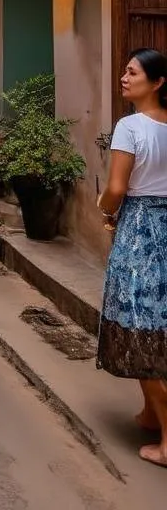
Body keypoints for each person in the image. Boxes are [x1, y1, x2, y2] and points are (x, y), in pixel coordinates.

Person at [96, 48, 167, 468]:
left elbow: (117, 188)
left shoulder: (130, 127)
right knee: (159, 325)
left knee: (141, 326)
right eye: (124, 71)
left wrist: (104, 208)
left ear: (156, 83)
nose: (124, 77)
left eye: (132, 72)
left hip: (140, 229)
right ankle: (148, 414)